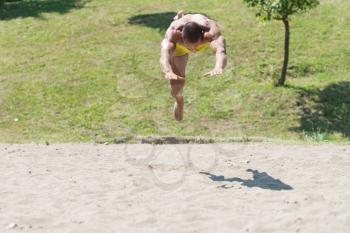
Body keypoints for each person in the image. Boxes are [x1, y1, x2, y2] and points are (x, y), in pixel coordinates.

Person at [160, 11, 227, 121]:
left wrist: (219, 66)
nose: (193, 49)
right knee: (176, 86)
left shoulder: (210, 32)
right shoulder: (174, 34)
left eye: (196, 45)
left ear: (202, 37)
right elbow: (164, 55)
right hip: (180, 48)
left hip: (196, 30)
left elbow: (221, 50)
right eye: (189, 46)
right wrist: (167, 70)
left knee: (216, 46)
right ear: (182, 37)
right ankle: (179, 101)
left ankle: (181, 16)